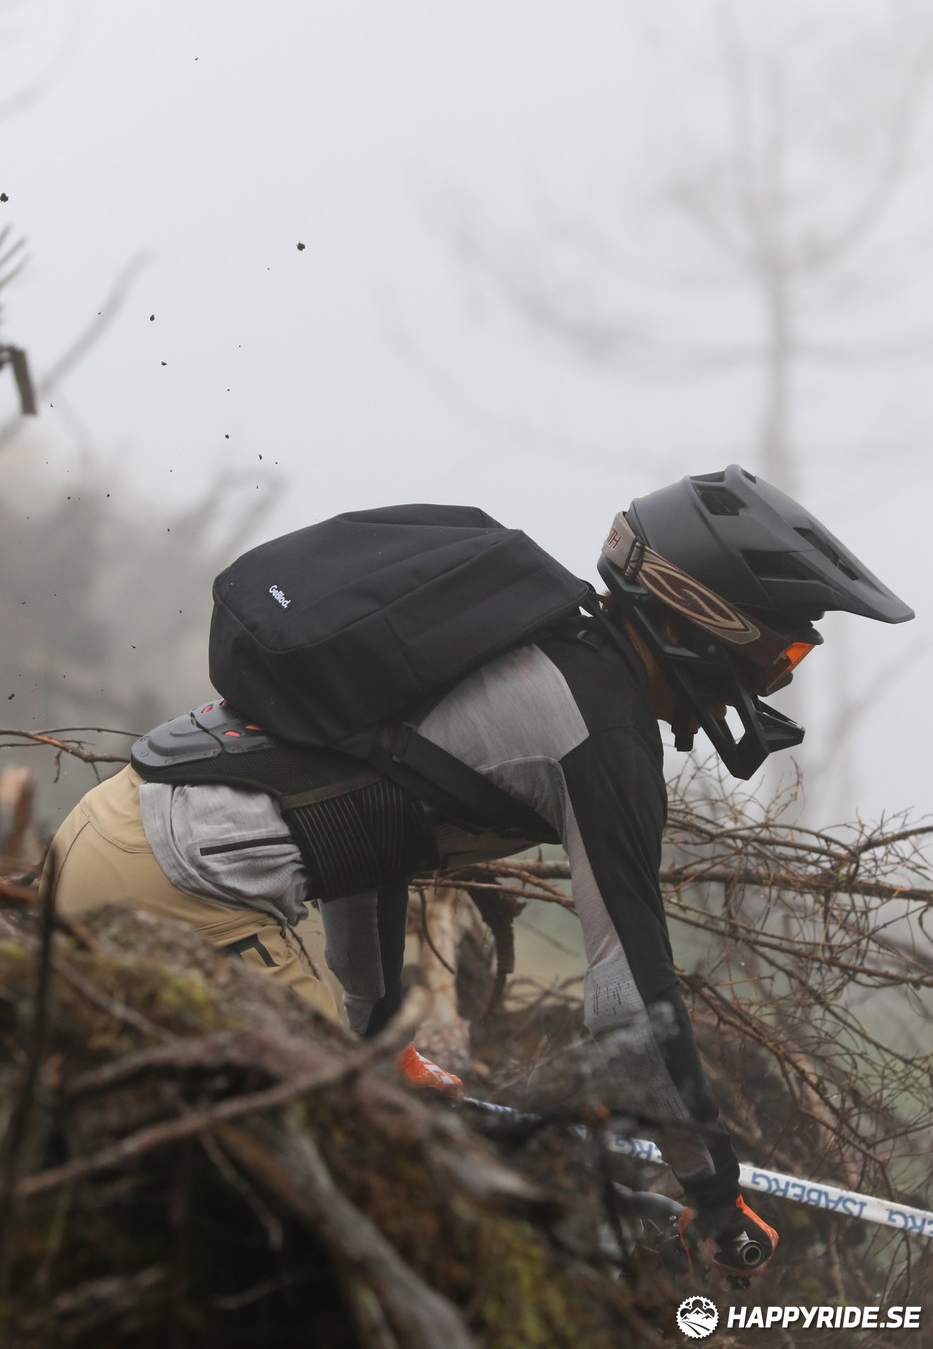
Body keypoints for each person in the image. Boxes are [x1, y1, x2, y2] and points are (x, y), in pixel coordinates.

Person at [41, 464, 913, 1279]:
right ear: (705, 617)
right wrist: (714, 1192)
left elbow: (361, 841)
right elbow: (632, 1011)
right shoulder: (602, 732)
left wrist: (376, 1041)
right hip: (183, 889)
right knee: (330, 1226)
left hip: (112, 829)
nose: (773, 680)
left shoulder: (521, 643)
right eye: (779, 657)